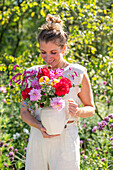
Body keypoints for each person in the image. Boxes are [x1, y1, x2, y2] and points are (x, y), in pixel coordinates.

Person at [20, 14, 95, 170]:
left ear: (64, 48)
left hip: (66, 138)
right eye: (43, 52)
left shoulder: (77, 73)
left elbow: (91, 108)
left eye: (53, 52)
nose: (48, 57)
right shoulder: (31, 74)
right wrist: (39, 126)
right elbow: (24, 112)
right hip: (38, 138)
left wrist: (79, 110)